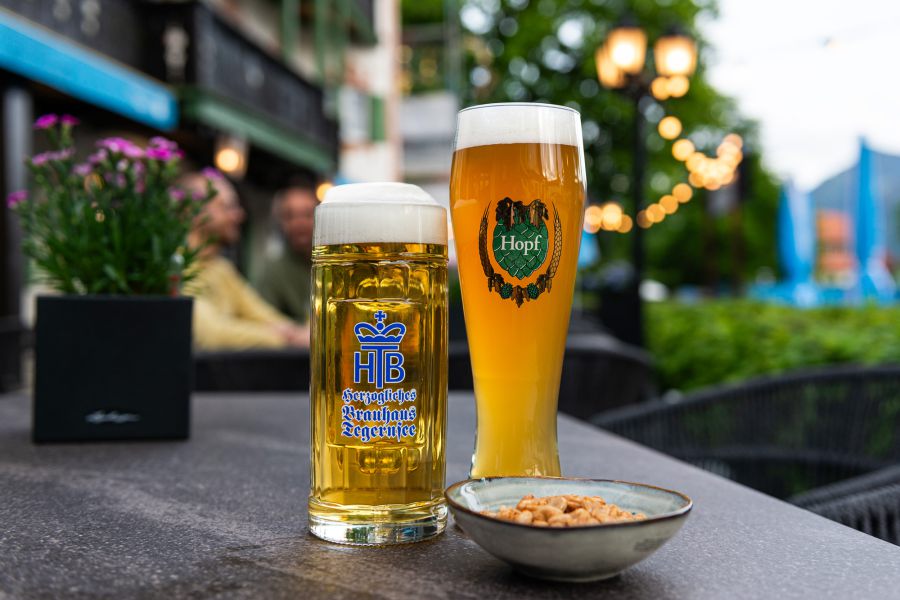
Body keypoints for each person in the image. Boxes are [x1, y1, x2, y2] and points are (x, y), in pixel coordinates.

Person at [181, 171, 309, 349]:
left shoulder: (220, 268)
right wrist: (286, 338)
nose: (239, 215)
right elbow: (212, 336)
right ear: (193, 211)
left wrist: (295, 333)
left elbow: (263, 315)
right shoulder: (177, 266)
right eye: (228, 207)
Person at [256, 186, 316, 323]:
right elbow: (265, 320)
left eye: (307, 214)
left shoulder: (334, 266)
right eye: (290, 216)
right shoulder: (273, 271)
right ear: (280, 222)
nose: (299, 223)